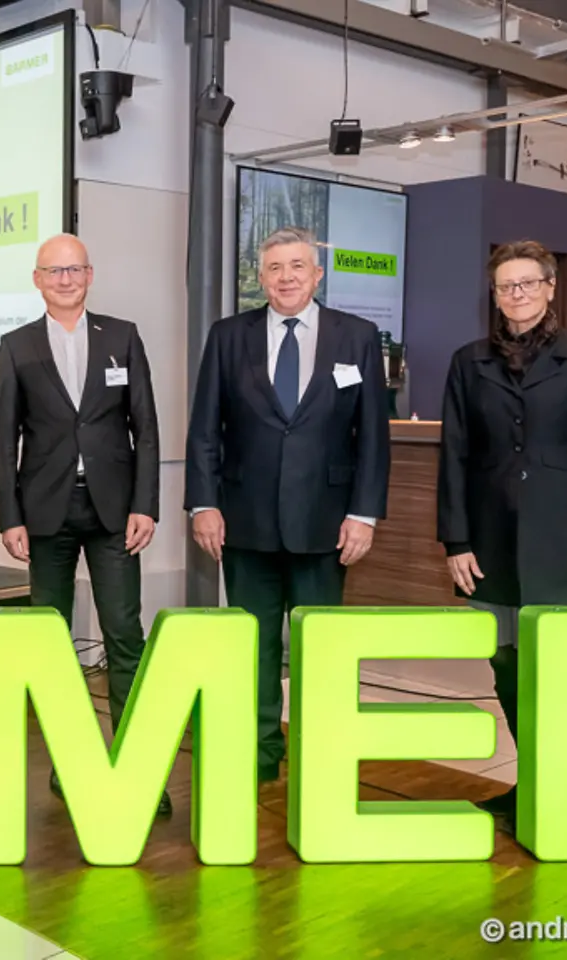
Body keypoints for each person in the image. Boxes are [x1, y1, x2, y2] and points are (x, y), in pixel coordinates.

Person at [185, 226, 391, 783]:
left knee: (319, 647)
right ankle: (258, 752)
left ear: (317, 274)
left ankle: (323, 751)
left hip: (327, 524)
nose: (286, 278)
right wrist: (203, 503)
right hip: (244, 520)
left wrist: (364, 513)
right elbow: (206, 428)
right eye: (274, 268)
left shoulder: (358, 336)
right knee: (251, 644)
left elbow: (373, 435)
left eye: (298, 266)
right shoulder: (229, 336)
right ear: (260, 277)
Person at [437, 239, 567, 831]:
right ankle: (532, 783)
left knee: (561, 671)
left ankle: (559, 788)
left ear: (549, 288)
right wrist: (456, 542)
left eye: (526, 284)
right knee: (506, 665)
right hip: (491, 541)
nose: (515, 295)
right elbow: (455, 457)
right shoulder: (469, 361)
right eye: (504, 286)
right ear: (493, 296)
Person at [0, 233, 170, 817]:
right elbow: (3, 437)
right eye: (53, 271)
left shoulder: (121, 336)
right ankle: (72, 761)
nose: (65, 279)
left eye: (75, 269)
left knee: (125, 636)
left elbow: (146, 425)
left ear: (90, 275)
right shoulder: (15, 346)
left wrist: (147, 504)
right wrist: (9, 515)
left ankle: (137, 763)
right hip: (45, 513)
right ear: (37, 280)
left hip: (116, 513)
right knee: (52, 642)